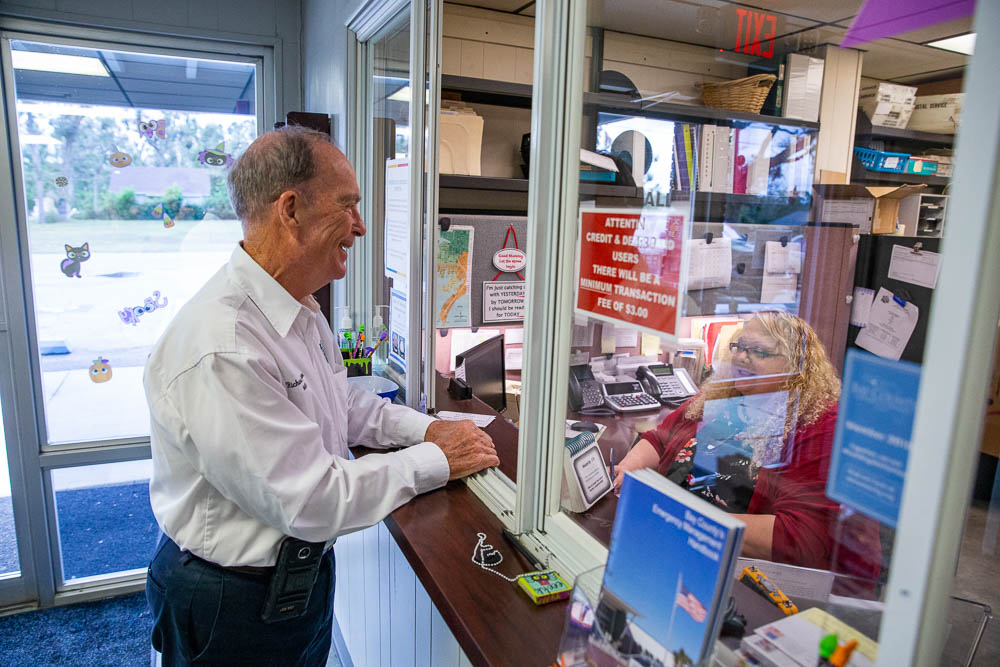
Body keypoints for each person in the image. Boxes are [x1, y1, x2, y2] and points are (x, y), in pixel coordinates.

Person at [143, 126, 499, 666]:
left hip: (296, 585)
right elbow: (311, 498)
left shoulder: (298, 307)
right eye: (347, 205)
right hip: (230, 603)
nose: (360, 226)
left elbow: (342, 403)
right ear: (290, 210)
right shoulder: (223, 345)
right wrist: (436, 459)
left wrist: (427, 429)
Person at [613, 312, 881, 583]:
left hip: (746, 574)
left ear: (795, 365)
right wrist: (630, 468)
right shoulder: (724, 395)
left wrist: (684, 519)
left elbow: (798, 538)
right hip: (676, 543)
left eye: (758, 351)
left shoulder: (821, 424)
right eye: (739, 346)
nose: (741, 357)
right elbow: (661, 438)